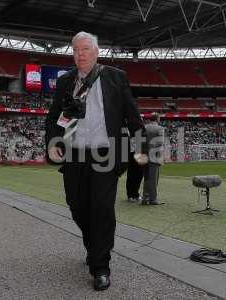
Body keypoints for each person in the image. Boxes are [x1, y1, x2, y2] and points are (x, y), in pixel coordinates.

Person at [45, 31, 146, 291]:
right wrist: (53, 142)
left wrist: (141, 147)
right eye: (76, 50)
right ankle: (94, 246)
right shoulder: (66, 81)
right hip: (75, 154)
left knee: (101, 209)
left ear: (96, 51)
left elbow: (132, 116)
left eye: (85, 49)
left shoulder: (115, 77)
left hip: (106, 153)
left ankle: (100, 266)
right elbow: (55, 117)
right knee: (77, 206)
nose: (80, 55)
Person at [141, 113, 165, 205]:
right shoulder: (160, 128)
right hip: (155, 157)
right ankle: (153, 199)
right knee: (154, 179)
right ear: (157, 119)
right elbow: (160, 143)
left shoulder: (144, 127)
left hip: (145, 156)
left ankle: (145, 198)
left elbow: (141, 142)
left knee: (146, 178)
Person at [126, 136, 144, 202]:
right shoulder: (133, 129)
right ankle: (131, 195)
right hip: (133, 152)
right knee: (133, 174)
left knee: (138, 174)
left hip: (138, 152)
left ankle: (134, 194)